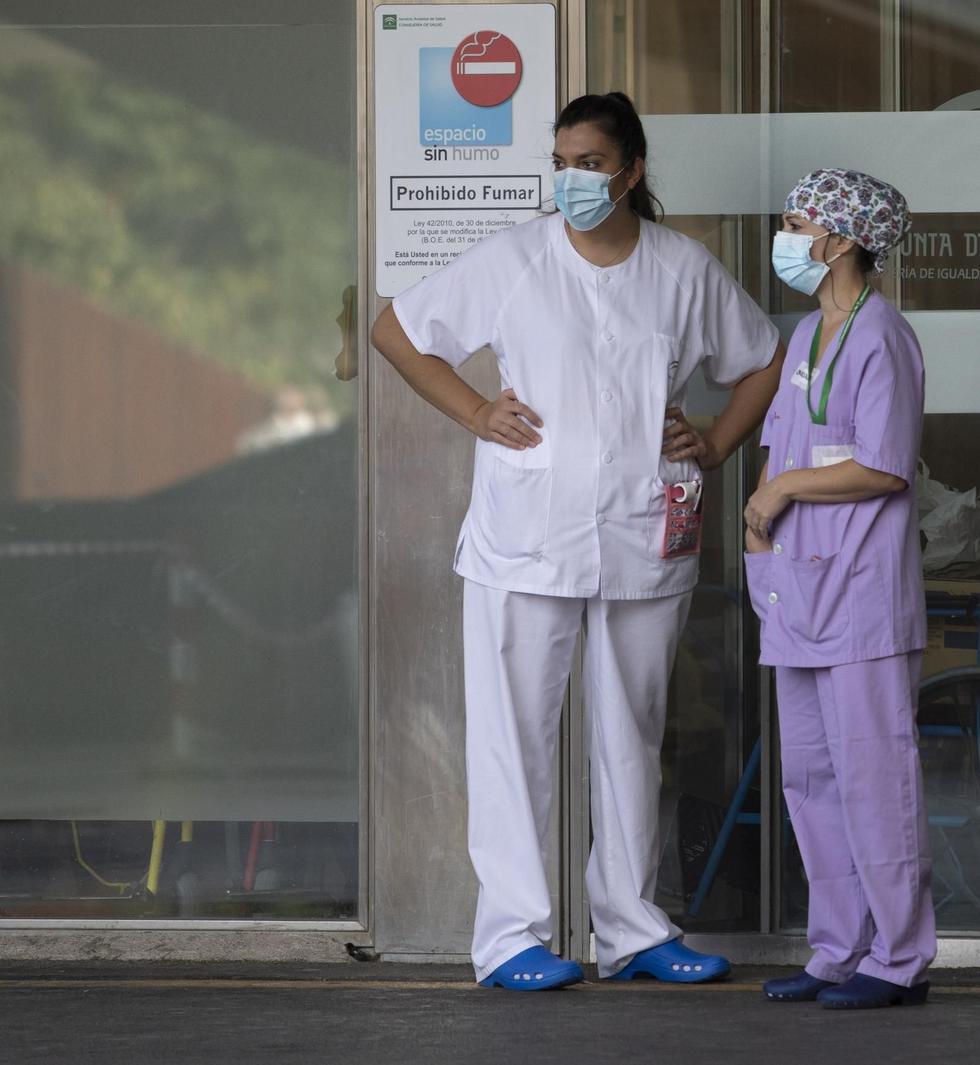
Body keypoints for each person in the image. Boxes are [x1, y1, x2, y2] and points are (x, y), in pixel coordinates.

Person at [371, 92, 784, 991]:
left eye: (591, 163)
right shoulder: (516, 258)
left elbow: (761, 358)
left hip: (645, 532)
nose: (574, 180)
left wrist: (715, 442)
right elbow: (394, 330)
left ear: (632, 171)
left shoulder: (682, 269)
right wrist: (478, 410)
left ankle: (633, 929)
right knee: (514, 737)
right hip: (527, 536)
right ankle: (512, 937)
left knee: (632, 731)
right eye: (562, 162)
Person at [742, 169, 930, 1010]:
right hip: (799, 588)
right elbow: (789, 443)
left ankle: (896, 958)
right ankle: (836, 948)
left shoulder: (879, 335)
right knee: (810, 777)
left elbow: (882, 463)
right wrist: (765, 507)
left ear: (844, 239)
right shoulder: (809, 332)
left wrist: (780, 494)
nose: (785, 235)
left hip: (857, 593)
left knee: (873, 774)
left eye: (797, 222)